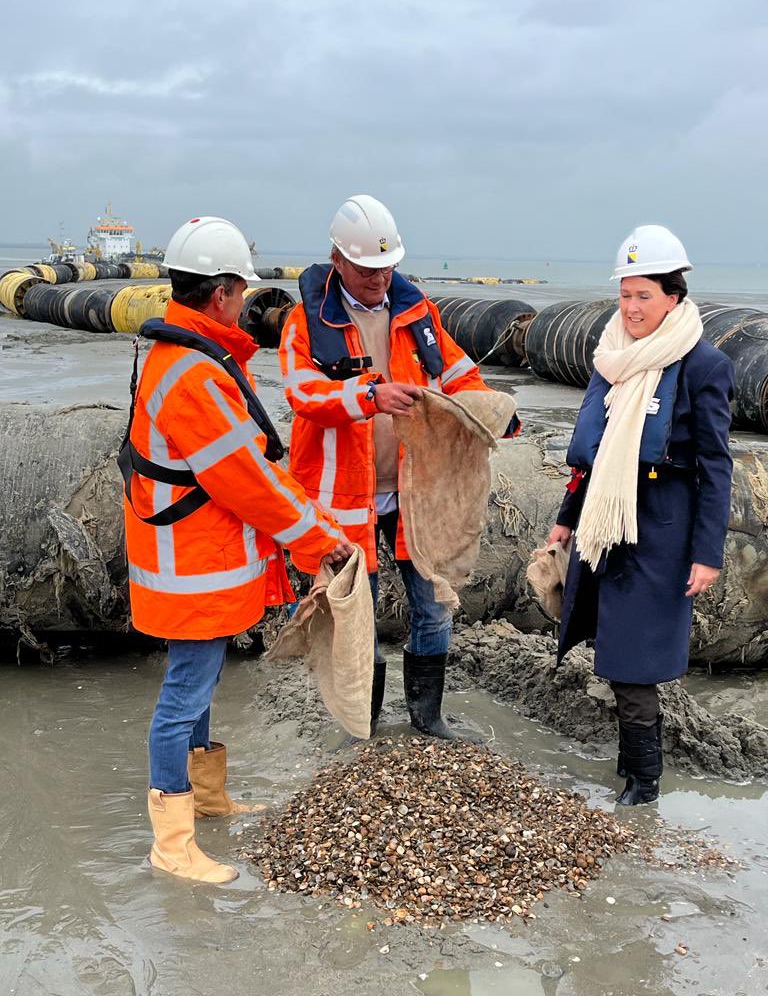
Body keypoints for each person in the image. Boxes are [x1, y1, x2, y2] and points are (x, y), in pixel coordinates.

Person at [121, 216, 351, 883]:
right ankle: (172, 843)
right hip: (190, 566)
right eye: (240, 292)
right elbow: (250, 484)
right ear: (222, 293)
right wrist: (319, 539)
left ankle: (210, 801)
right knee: (184, 694)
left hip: (192, 558)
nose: (245, 304)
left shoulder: (185, 357)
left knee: (200, 685)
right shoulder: (195, 376)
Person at [278, 195, 514, 740]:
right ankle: (364, 722)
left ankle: (428, 718)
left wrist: (493, 412)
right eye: (366, 269)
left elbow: (457, 373)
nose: (379, 278)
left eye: (387, 267)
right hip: (344, 496)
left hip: (415, 491)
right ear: (337, 261)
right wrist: (370, 395)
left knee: (433, 603)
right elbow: (302, 393)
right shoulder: (306, 323)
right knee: (357, 613)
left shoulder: (417, 312)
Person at [547, 225, 734, 805]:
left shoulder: (704, 365)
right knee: (613, 649)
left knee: (636, 663)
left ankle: (645, 784)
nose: (631, 308)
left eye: (644, 296)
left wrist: (707, 554)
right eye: (625, 295)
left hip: (661, 533)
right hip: (607, 525)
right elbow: (598, 451)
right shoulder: (612, 357)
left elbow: (716, 467)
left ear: (674, 296)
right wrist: (566, 515)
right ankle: (631, 769)